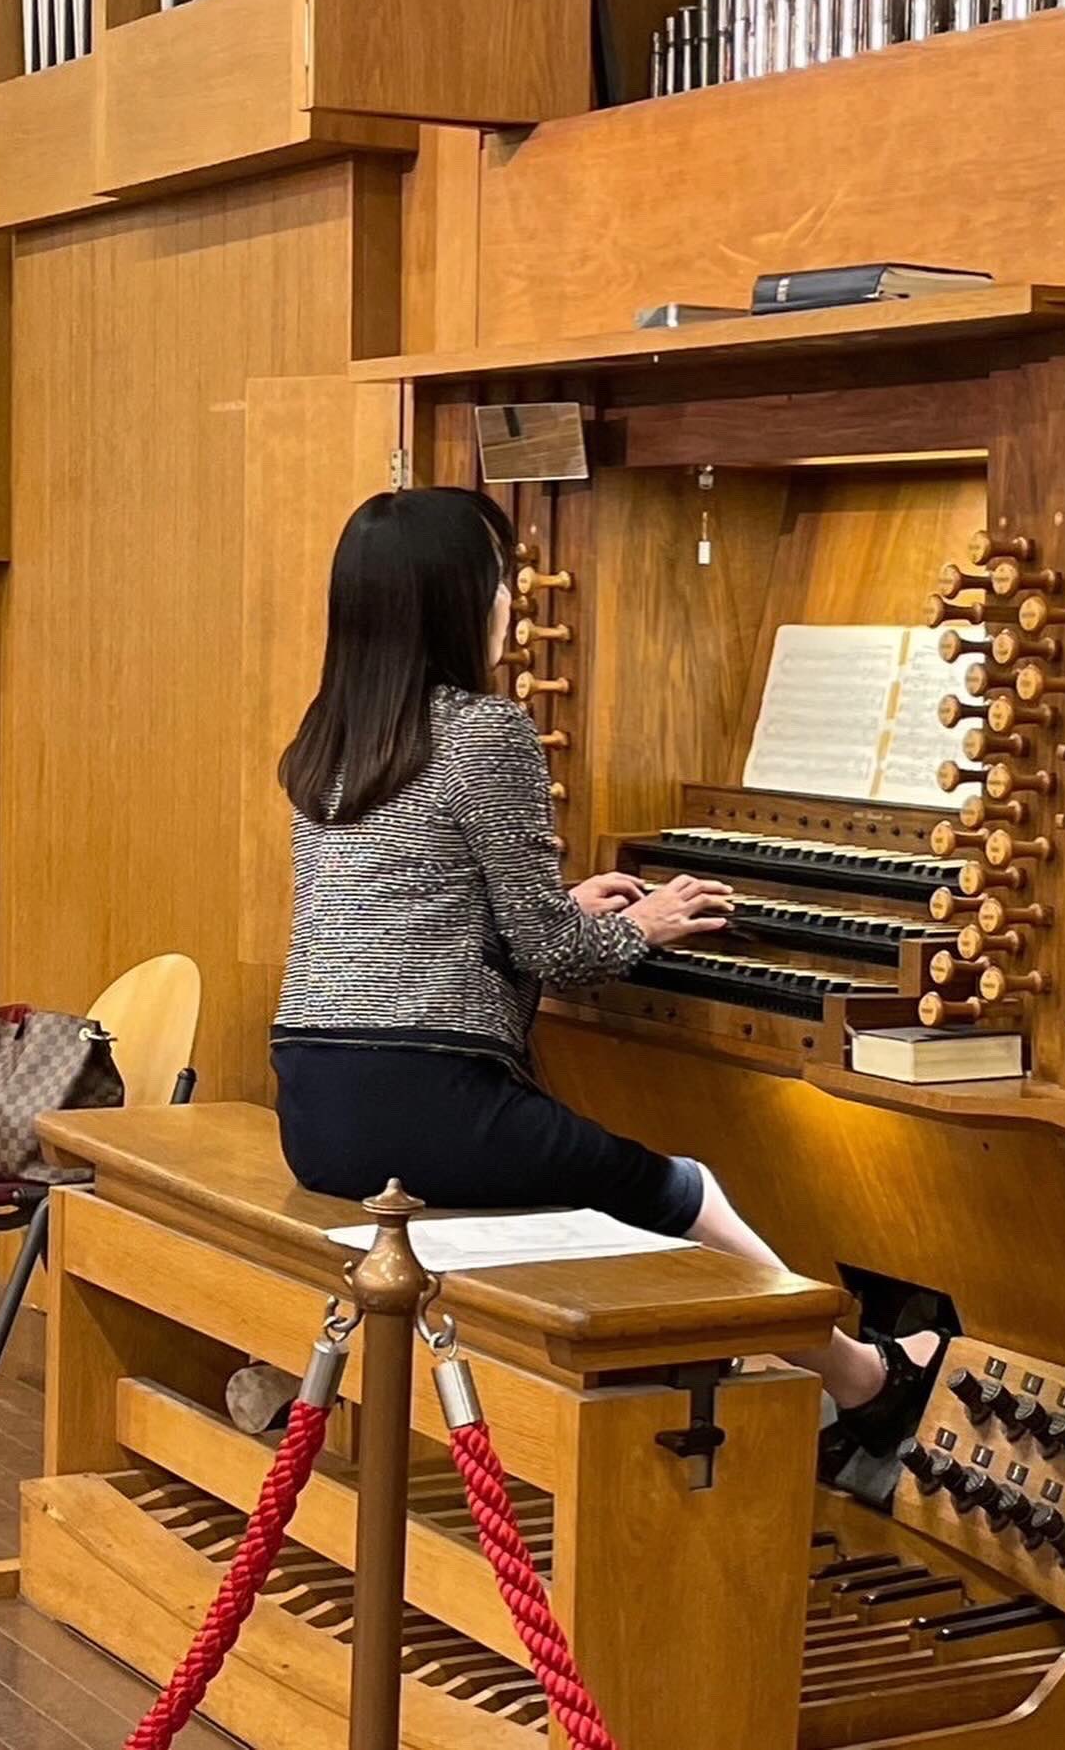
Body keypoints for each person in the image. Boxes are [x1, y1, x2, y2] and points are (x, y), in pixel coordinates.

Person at [270, 487, 940, 1463]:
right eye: (500, 580)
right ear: (456, 598)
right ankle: (861, 1379)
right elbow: (548, 954)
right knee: (686, 1190)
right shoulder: (485, 732)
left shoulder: (330, 739)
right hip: (428, 1105)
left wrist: (566, 904)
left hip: (317, 1106)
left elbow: (408, 916)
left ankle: (768, 1384)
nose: (511, 602)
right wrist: (652, 925)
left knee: (624, 1187)